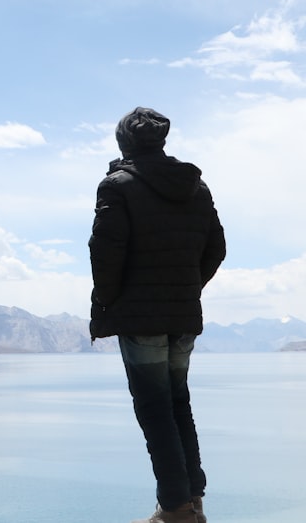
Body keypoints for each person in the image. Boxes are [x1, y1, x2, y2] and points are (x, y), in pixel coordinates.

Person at [89, 107, 226, 523]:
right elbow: (216, 248)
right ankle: (192, 500)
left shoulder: (117, 186)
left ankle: (174, 511)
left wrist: (104, 308)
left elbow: (106, 254)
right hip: (182, 315)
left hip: (140, 317)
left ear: (123, 143)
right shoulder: (196, 187)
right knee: (177, 403)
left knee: (154, 409)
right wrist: (187, 289)